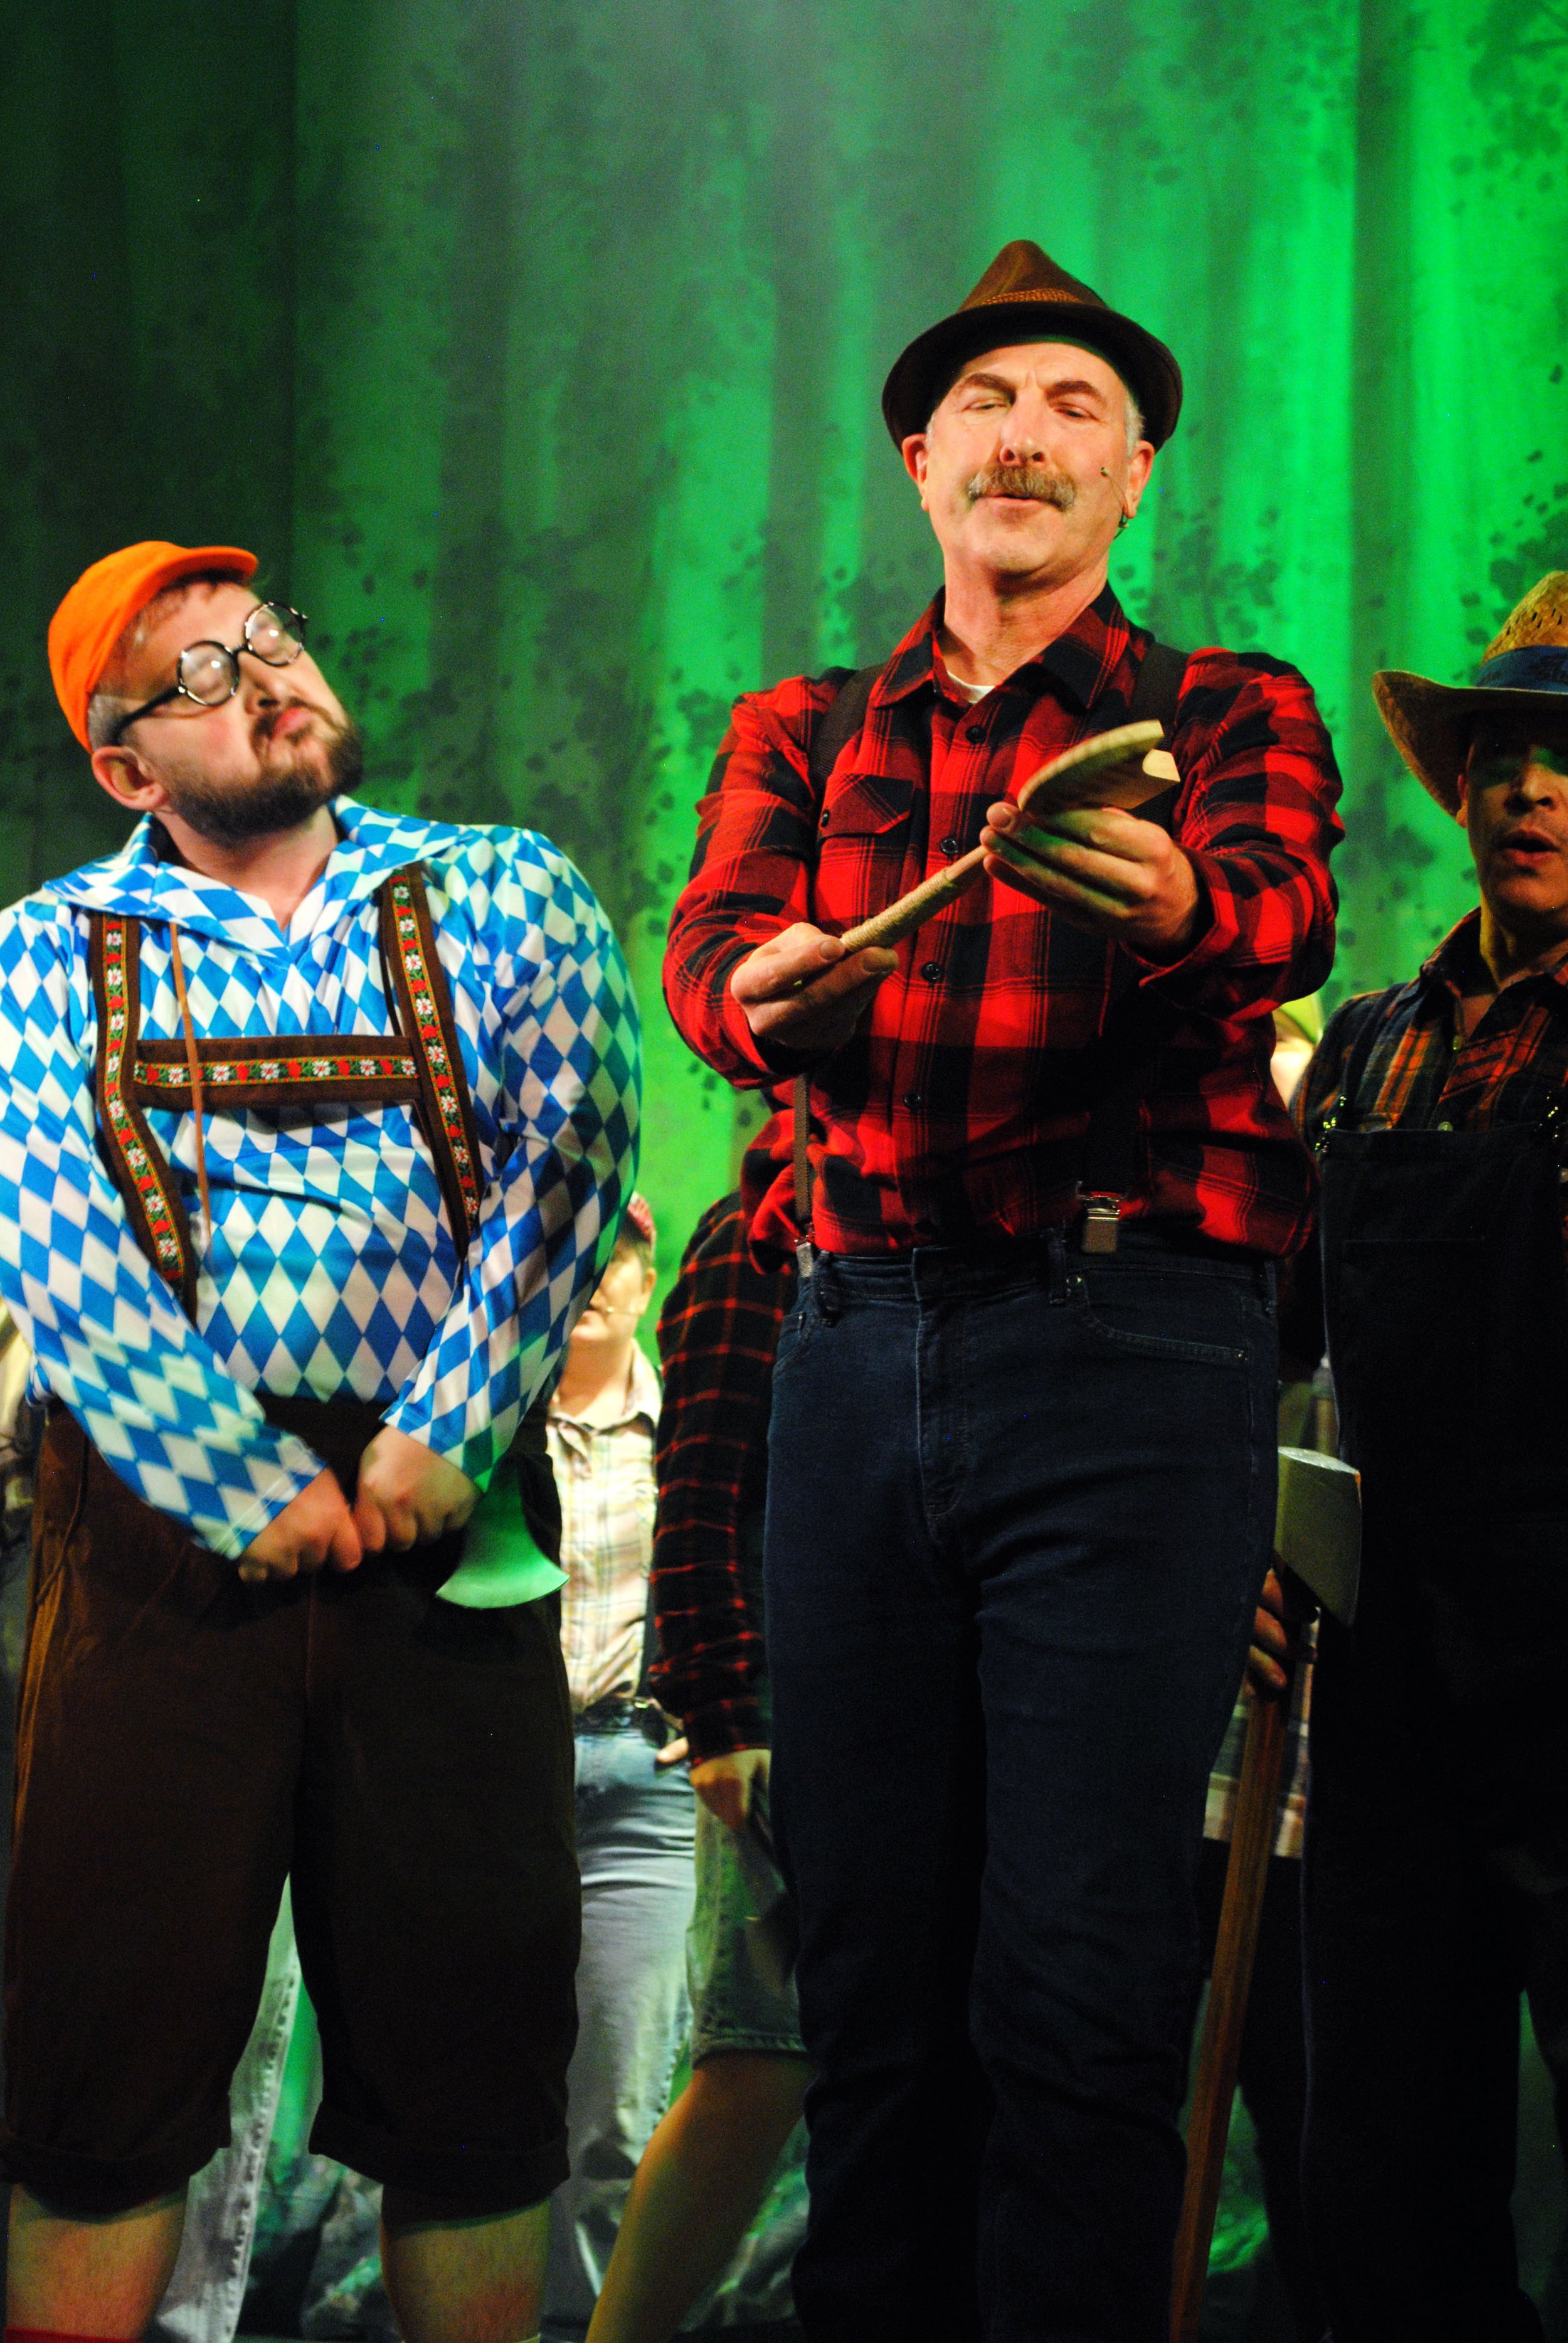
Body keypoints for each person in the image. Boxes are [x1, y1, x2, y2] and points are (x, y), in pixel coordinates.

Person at [663, 240, 1343, 2340]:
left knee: (1078, 1977)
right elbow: (713, 958)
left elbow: (1280, 904)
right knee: (874, 1979)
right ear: (918, 456)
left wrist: (1168, 898)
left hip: (1132, 1351)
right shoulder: (806, 726)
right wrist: (757, 991)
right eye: (989, 402)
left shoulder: (1221, 706)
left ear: (1134, 472)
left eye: (1075, 408)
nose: (1026, 436)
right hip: (859, 1351)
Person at [0, 541, 640, 2343]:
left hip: (447, 1537)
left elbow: (573, 1147)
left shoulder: (504, 891)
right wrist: (237, 1480)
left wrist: (444, 1424)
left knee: (476, 2069)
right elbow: (58, 1236)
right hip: (152, 1551)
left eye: (262, 639)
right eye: (195, 676)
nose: (260, 674)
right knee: (100, 2073)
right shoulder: (50, 950)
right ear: (125, 764)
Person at [1294, 571, 1568, 2342]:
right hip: (1382, 1663)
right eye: (1502, 758)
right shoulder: (1369, 1052)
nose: (1531, 792)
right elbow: (1283, 1351)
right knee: (1392, 2121)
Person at [584, 1181, 811, 2343]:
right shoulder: (767, 1223)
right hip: (775, 1711)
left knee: (733, 2071)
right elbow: (709, 1477)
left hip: (842, 1702)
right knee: (758, 2057)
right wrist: (722, 1701)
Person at [540, 1196, 699, 2343]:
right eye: (581, 1249)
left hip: (646, 1779)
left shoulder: (691, 1419)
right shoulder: (486, 1425)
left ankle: (573, 2329)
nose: (603, 1271)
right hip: (502, 1775)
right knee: (468, 2087)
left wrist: (724, 1693)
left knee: (617, 2105)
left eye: (626, 1250)